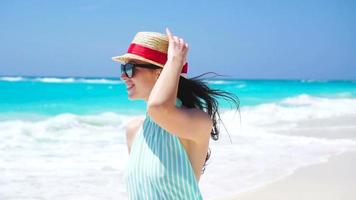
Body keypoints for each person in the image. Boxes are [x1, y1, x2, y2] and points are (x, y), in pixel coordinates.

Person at [112, 28, 239, 199]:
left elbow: (158, 107)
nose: (123, 76)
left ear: (159, 72)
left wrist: (175, 60)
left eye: (129, 68)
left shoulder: (197, 122)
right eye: (123, 68)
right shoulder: (134, 130)